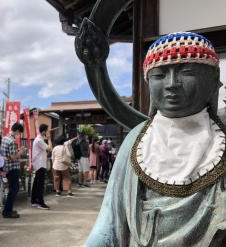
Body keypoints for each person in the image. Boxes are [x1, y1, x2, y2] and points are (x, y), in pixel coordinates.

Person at [85, 32, 226, 246]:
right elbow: (109, 222)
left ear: (214, 79)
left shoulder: (222, 139)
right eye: (159, 75)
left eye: (186, 72)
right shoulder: (137, 140)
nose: (172, 84)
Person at [0, 123, 24, 218]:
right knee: (14, 189)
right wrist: (20, 152)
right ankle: (7, 211)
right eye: (20, 133)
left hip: (6, 167)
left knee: (11, 189)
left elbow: (6, 154)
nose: (20, 135)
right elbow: (14, 157)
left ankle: (8, 209)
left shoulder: (4, 139)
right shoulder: (12, 141)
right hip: (13, 168)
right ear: (17, 131)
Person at [31, 124, 52, 209]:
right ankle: (40, 202)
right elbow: (50, 148)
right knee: (40, 184)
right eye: (47, 130)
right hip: (40, 164)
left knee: (37, 183)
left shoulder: (39, 139)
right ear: (43, 131)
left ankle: (34, 201)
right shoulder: (39, 140)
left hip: (39, 164)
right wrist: (49, 139)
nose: (48, 132)